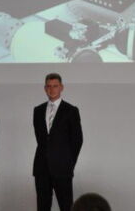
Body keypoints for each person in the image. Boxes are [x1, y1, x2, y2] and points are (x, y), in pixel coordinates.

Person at [33, 73, 83, 211]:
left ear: (61, 87)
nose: (52, 89)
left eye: (55, 86)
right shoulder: (38, 110)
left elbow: (77, 140)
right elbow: (41, 139)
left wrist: (69, 163)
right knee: (42, 206)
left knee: (66, 206)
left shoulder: (71, 111)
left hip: (63, 168)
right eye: (49, 86)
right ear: (45, 88)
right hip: (41, 167)